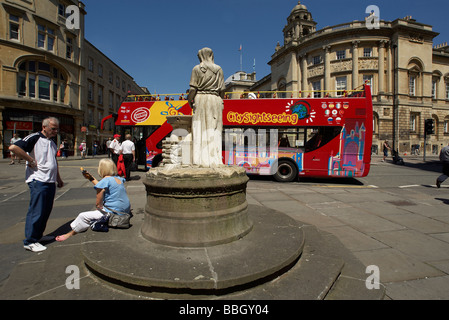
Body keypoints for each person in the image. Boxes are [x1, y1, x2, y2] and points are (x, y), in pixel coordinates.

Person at [9, 117, 64, 252]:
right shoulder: (34, 137)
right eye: (53, 129)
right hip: (38, 180)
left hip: (50, 180)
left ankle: (38, 236)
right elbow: (13, 147)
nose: (55, 131)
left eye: (57, 129)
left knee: (46, 210)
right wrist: (30, 160)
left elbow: (54, 162)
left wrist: (59, 179)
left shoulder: (52, 142)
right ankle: (30, 241)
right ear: (44, 127)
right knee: (37, 210)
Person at [55, 159, 131, 241]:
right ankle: (80, 227)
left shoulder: (105, 181)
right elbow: (102, 185)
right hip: (125, 210)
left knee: (82, 216)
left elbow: (98, 202)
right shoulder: (118, 179)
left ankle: (70, 234)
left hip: (114, 212)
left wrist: (99, 207)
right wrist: (90, 178)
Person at [188, 47, 225, 167]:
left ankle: (199, 160)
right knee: (215, 129)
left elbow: (193, 89)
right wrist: (220, 99)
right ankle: (216, 160)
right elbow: (222, 89)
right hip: (215, 99)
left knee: (199, 128)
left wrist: (190, 100)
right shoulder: (219, 69)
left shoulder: (196, 68)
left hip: (201, 99)